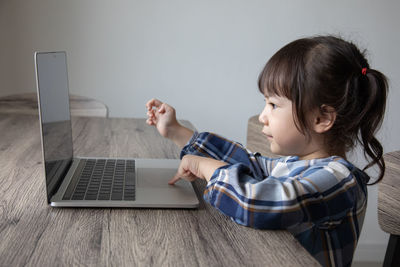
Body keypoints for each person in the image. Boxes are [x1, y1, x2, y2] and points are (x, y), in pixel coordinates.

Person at [145, 35, 388, 267]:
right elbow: (250, 164)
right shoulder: (297, 164)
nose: (263, 116)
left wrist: (205, 167)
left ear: (321, 118)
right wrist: (177, 131)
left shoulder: (339, 180)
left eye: (273, 104)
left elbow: (256, 203)